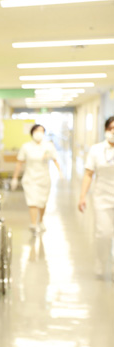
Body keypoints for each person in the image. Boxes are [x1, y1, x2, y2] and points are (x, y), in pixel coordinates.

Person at [78, 115, 114, 279]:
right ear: (105, 130)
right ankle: (101, 260)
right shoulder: (96, 150)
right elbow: (88, 174)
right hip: (102, 198)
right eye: (111, 128)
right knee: (103, 234)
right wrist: (82, 196)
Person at [10, 124, 61, 234]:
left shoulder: (48, 146)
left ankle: (40, 220)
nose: (39, 133)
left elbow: (55, 159)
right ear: (32, 132)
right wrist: (14, 178)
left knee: (42, 202)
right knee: (32, 201)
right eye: (37, 130)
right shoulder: (26, 147)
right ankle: (33, 224)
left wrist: (60, 173)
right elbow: (19, 163)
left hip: (44, 178)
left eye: (42, 131)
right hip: (30, 178)